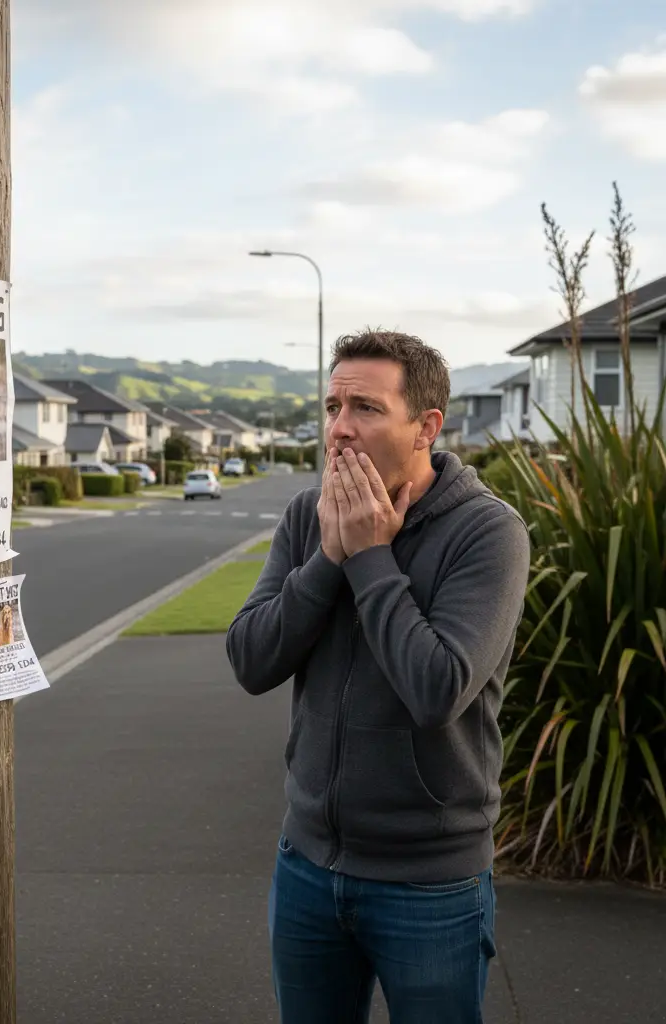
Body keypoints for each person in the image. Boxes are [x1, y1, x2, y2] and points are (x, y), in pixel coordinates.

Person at [225, 330, 531, 1024]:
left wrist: (367, 557)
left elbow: (437, 688)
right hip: (306, 862)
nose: (338, 429)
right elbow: (249, 659)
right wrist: (329, 559)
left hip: (430, 884)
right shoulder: (311, 516)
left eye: (364, 407)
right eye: (333, 406)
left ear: (426, 427)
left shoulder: (487, 533)